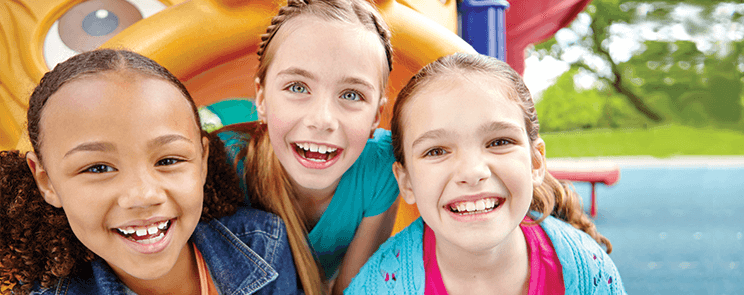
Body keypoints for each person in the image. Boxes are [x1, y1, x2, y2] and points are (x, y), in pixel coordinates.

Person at [0, 49, 298, 294]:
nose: (143, 196)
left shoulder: (262, 243)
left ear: (203, 160)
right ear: (46, 181)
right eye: (98, 167)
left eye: (168, 160)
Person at [346, 53, 626, 295]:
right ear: (405, 181)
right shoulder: (378, 286)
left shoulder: (587, 272)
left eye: (499, 142)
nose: (472, 172)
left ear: (536, 163)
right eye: (436, 151)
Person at [215, 0, 399, 293]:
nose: (322, 120)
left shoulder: (381, 167)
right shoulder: (225, 165)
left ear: (376, 115)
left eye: (351, 94)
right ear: (261, 99)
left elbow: (351, 289)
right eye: (298, 87)